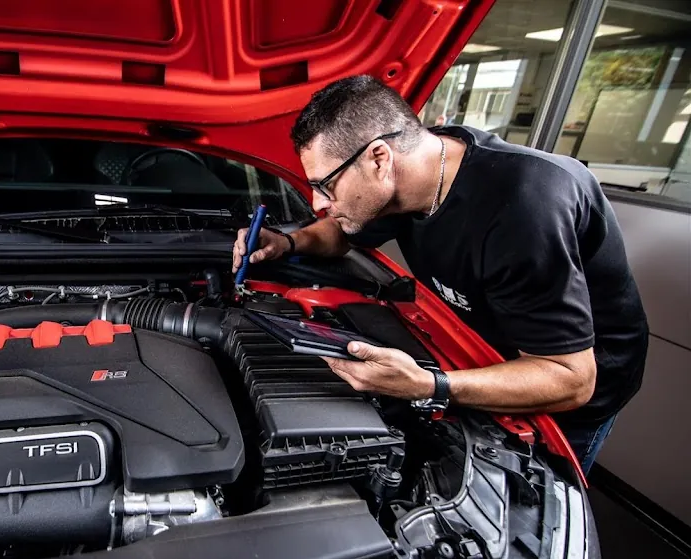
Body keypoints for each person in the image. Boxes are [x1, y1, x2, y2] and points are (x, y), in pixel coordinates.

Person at [232, 75, 648, 473]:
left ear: (379, 159)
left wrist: (431, 386)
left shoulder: (524, 210)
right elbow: (341, 233)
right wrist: (288, 243)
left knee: (523, 492)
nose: (319, 203)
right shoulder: (415, 170)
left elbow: (572, 379)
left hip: (568, 382)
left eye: (326, 186)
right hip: (485, 346)